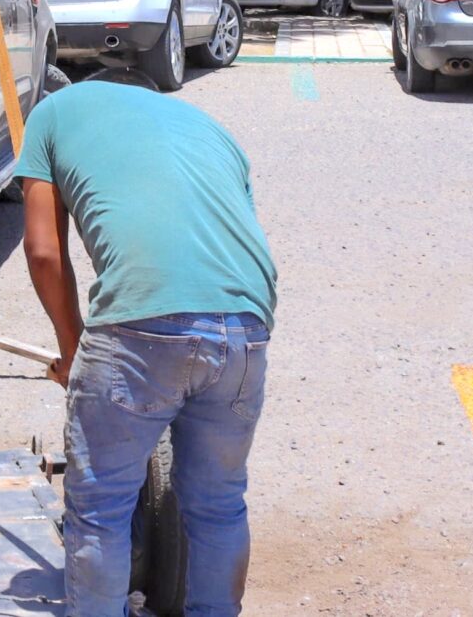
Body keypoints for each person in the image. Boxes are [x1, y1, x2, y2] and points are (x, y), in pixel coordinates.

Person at [14, 75, 278, 617]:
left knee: (101, 510)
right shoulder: (209, 128)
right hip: (245, 325)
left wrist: (72, 347)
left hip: (141, 323)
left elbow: (43, 251)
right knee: (218, 506)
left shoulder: (52, 112)